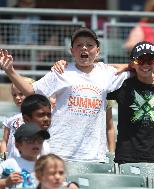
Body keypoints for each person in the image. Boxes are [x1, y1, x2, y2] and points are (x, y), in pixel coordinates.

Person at [0, 27, 130, 162]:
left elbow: (146, 69)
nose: (84, 48)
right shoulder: (61, 71)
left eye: (89, 45)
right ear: (72, 51)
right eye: (79, 45)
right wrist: (10, 71)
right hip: (59, 152)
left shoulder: (106, 72)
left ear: (97, 51)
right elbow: (31, 91)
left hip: (93, 155)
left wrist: (128, 65)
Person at [107, 41, 154, 163]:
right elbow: (97, 70)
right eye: (140, 60)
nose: (145, 65)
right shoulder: (122, 85)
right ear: (132, 63)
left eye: (150, 61)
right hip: (125, 158)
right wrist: (127, 67)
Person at [0, 122, 50, 188]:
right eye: (30, 140)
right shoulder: (10, 163)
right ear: (18, 145)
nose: (36, 143)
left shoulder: (44, 166)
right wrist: (6, 182)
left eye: (40, 140)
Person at [0, 77, 35, 159]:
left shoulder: (38, 118)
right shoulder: (10, 120)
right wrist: (3, 157)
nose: (17, 98)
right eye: (14, 95)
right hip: (11, 161)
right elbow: (5, 140)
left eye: (21, 94)